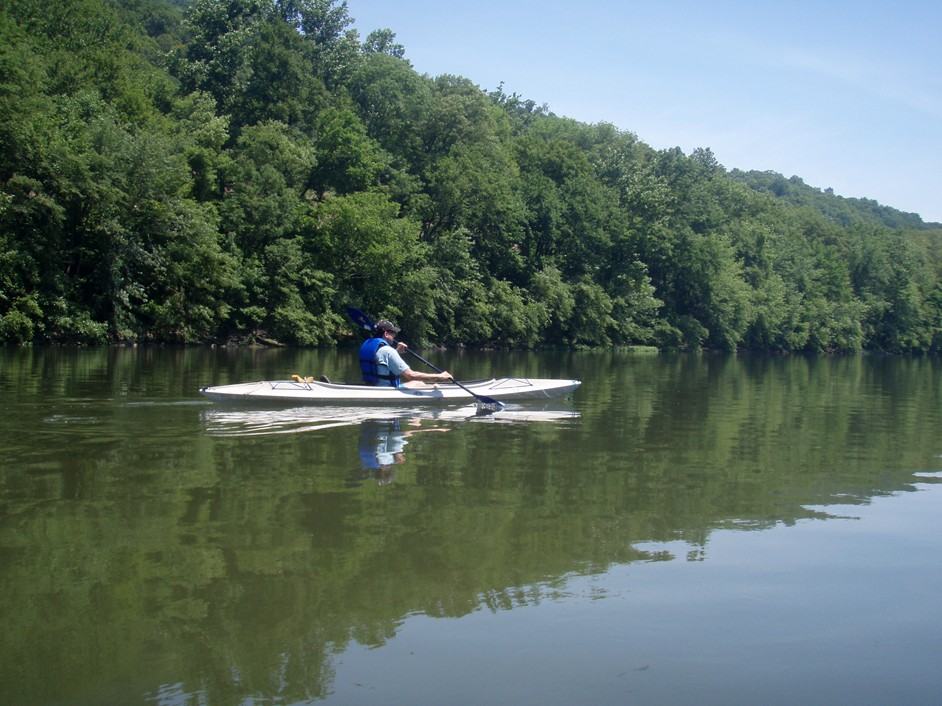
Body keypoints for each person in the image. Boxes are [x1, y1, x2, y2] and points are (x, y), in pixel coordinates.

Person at [358, 319, 452, 387]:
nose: (394, 336)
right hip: (386, 391)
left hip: (371, 387)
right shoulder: (388, 351)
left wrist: (397, 351)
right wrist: (440, 376)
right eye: (393, 333)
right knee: (418, 383)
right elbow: (411, 375)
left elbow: (382, 362)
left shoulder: (369, 346)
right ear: (386, 334)